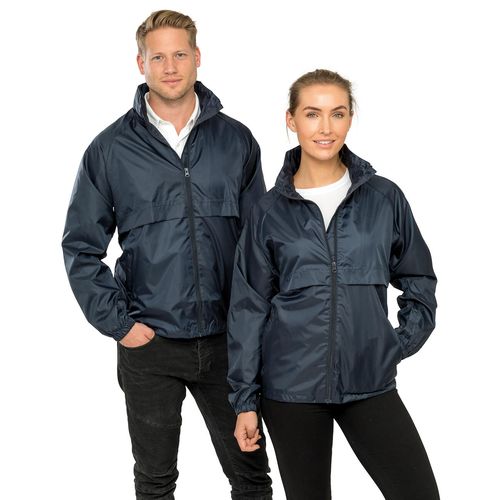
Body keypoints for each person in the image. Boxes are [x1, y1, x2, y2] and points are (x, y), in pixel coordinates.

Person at [62, 9, 272, 500]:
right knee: (155, 483)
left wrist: (256, 326)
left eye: (180, 54)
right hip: (150, 344)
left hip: (229, 344)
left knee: (251, 478)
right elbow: (80, 246)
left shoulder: (236, 141)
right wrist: (120, 325)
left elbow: (261, 245)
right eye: (158, 57)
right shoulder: (110, 149)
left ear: (198, 57)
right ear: (141, 64)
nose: (170, 67)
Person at [228, 69, 440, 500]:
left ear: (350, 119)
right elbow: (248, 309)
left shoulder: (384, 197)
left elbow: (418, 278)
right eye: (312, 114)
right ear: (291, 120)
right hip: (290, 390)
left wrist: (394, 344)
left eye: (337, 113)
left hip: (369, 381)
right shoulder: (268, 211)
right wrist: (245, 401)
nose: (325, 128)